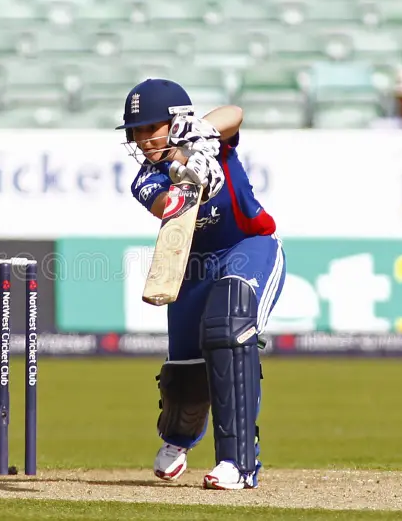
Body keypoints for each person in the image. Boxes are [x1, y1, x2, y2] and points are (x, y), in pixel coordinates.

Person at [117, 79, 286, 490]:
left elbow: (235, 113)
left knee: (229, 331)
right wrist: (187, 177)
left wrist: (204, 139)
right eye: (135, 132)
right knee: (185, 372)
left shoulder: (214, 140)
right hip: (191, 264)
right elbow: (167, 206)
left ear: (175, 123)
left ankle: (239, 463)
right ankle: (178, 441)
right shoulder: (145, 178)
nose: (141, 141)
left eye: (149, 129)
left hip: (248, 247)